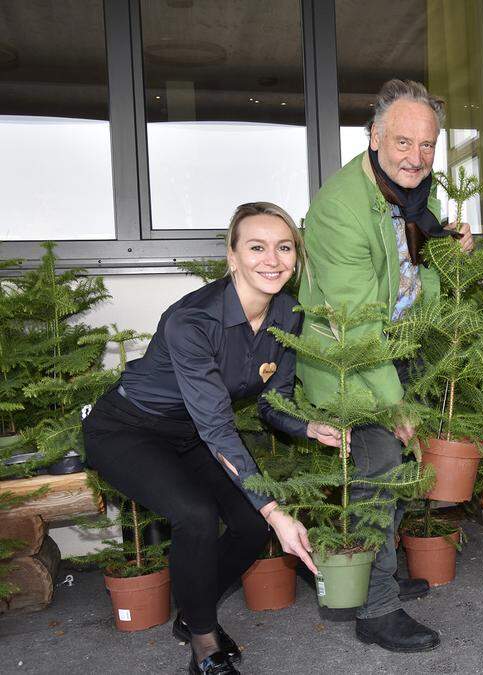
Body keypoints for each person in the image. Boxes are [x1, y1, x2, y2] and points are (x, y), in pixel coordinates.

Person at [83, 202, 344, 675]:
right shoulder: (193, 321)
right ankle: (203, 640)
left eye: (284, 247)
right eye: (257, 247)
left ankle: (193, 608)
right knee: (197, 516)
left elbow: (272, 400)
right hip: (128, 428)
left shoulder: (287, 313)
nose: (273, 259)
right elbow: (219, 427)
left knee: (249, 524)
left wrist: (306, 426)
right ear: (232, 257)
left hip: (192, 432)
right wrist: (278, 510)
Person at [297, 79, 473, 654]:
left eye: (427, 146)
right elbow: (355, 323)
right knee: (378, 464)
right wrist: (397, 408)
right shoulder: (339, 208)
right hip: (349, 362)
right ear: (374, 137)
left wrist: (454, 244)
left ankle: (384, 572)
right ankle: (374, 609)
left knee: (398, 471)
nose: (416, 158)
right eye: (403, 142)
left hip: (398, 346)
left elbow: (425, 265)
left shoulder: (416, 192)